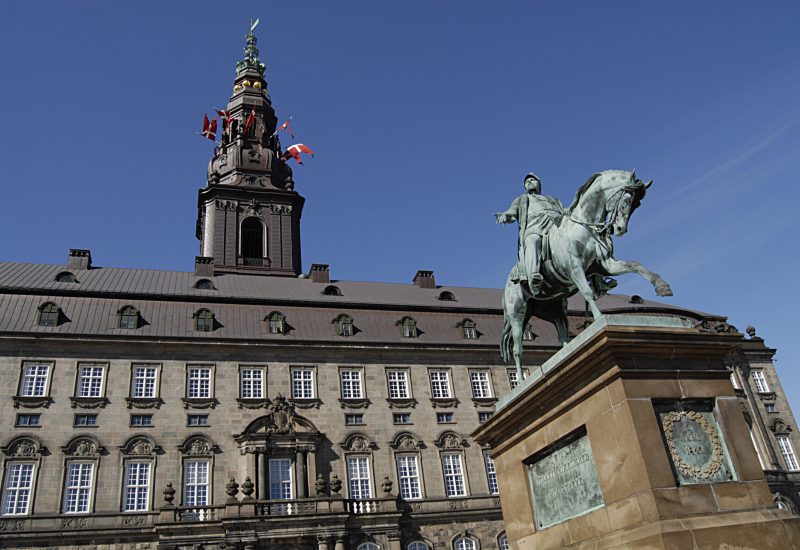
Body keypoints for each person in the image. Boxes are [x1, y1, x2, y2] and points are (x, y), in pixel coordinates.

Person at [494, 173, 564, 295]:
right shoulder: (522, 200)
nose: (530, 182)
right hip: (535, 227)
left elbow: (565, 212)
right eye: (527, 181)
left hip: (556, 227)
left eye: (533, 180)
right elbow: (511, 212)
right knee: (533, 240)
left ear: (540, 184)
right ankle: (533, 277)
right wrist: (505, 216)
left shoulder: (553, 200)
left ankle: (596, 280)